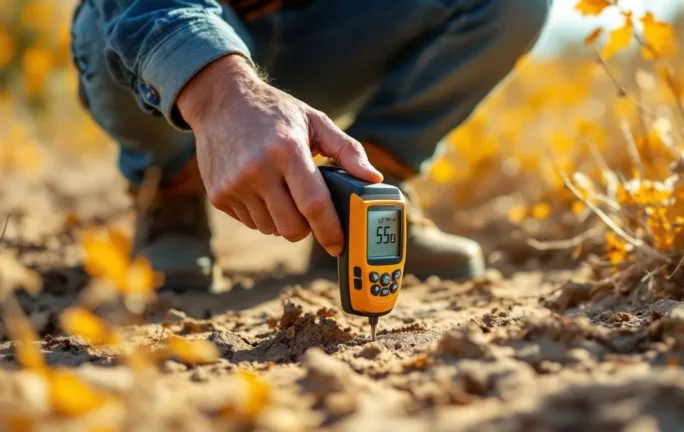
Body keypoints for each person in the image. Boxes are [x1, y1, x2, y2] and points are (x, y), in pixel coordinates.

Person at [70, 0, 551, 291]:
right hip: (179, 35)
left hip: (326, 31)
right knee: (106, 17)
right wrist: (219, 93)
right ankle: (172, 192)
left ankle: (365, 199)